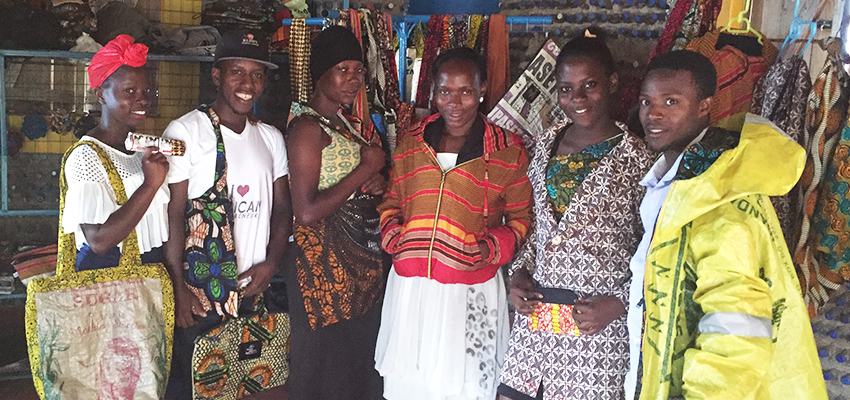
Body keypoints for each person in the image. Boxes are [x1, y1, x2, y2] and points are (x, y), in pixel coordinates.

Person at [626, 50, 827, 400]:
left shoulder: (719, 197)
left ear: (705, 106)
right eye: (646, 101)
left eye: (671, 102)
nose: (652, 114)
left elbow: (736, 325)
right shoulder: (677, 183)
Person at [498, 31, 655, 400]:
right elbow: (540, 232)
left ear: (613, 83)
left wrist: (618, 304)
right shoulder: (545, 146)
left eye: (589, 85)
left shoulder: (639, 161)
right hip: (535, 324)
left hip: (595, 330)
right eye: (566, 89)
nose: (577, 98)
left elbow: (654, 249)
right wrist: (518, 276)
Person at [375, 47, 534, 400]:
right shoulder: (411, 144)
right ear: (433, 92)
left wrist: (492, 247)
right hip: (412, 289)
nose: (455, 102)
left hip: (470, 288)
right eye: (445, 91)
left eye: (466, 91)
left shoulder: (507, 151)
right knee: (409, 385)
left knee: (465, 387)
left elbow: (522, 217)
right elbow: (391, 200)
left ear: (482, 90)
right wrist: (393, 237)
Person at [162, 30, 292, 399]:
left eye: (256, 74)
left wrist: (270, 264)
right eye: (237, 71)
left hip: (255, 288)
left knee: (253, 384)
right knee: (199, 389)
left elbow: (283, 209)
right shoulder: (187, 132)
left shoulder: (270, 138)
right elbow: (175, 215)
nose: (247, 84)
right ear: (217, 75)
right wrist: (178, 287)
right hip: (202, 294)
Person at [283, 25, 387, 400]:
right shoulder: (307, 129)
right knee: (324, 369)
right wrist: (364, 170)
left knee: (355, 365)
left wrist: (374, 183)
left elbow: (349, 182)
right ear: (320, 73)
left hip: (355, 266)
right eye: (342, 69)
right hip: (322, 270)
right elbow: (306, 210)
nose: (354, 79)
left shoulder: (341, 122)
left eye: (358, 70)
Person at [63, 34, 169, 271]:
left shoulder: (141, 149)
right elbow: (98, 241)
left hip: (148, 271)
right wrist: (150, 185)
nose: (142, 100)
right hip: (108, 280)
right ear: (100, 94)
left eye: (146, 91)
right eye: (129, 91)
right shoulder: (86, 156)